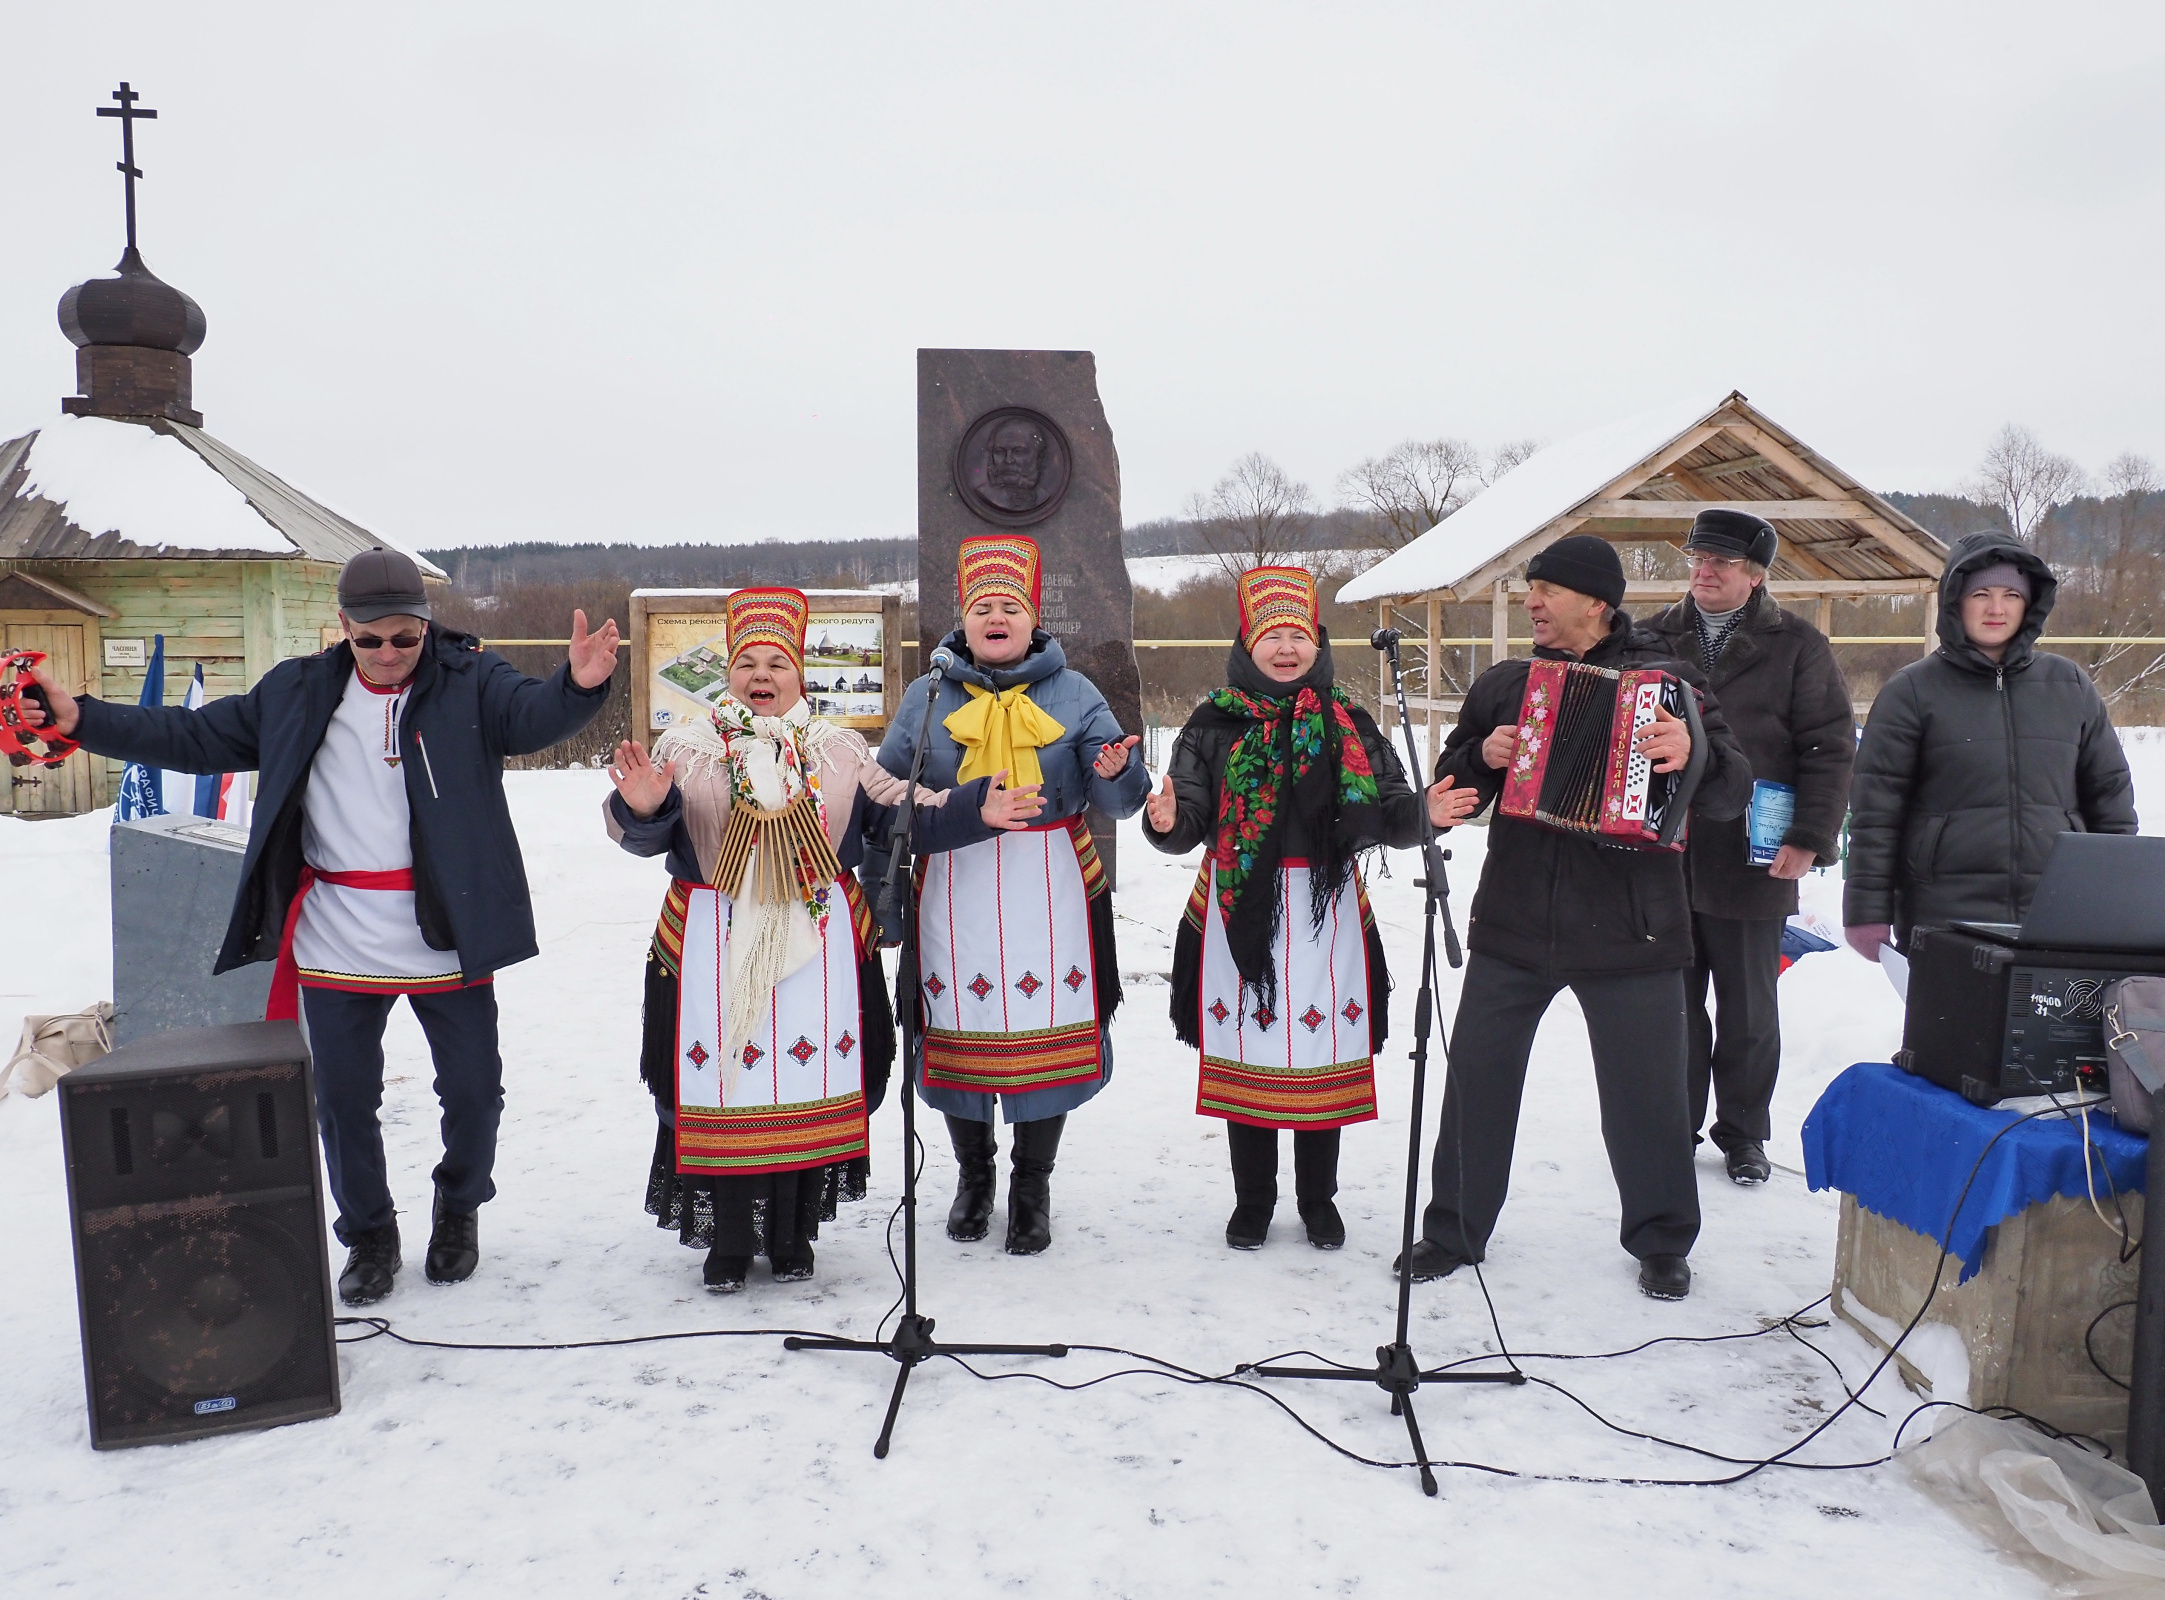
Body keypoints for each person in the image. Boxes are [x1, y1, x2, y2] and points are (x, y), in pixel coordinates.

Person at [21, 546, 617, 1305]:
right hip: (338, 935)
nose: (389, 653)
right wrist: (80, 717)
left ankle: (458, 1208)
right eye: (370, 639)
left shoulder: (472, 680)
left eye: (405, 637)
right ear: (343, 627)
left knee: (474, 1093)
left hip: (444, 929)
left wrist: (579, 685)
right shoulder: (297, 691)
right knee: (342, 1102)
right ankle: (368, 1234)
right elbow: (192, 737)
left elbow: (534, 716)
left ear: (426, 624)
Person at [602, 588, 999, 1291]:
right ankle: (728, 1241)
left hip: (818, 946)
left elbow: (901, 812)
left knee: (806, 1081)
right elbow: (644, 829)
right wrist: (641, 808)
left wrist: (975, 808)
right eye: (746, 663)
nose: (761, 675)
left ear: (799, 674)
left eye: (776, 663)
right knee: (724, 1086)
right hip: (713, 941)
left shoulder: (837, 749)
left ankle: (792, 1235)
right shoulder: (685, 750)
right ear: (727, 673)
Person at [1407, 534, 1751, 1301]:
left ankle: (1661, 1241)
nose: (1531, 602)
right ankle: (1453, 1230)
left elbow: (1731, 792)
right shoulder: (1505, 685)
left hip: (1634, 928)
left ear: (1596, 603)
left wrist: (1690, 748)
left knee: (1647, 1098)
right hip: (1515, 920)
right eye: (1529, 588)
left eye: (1547, 590)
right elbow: (1453, 787)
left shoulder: (1672, 683)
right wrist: (1481, 757)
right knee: (1477, 1082)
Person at [1141, 567, 1478, 1249]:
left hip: (1327, 913)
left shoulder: (1347, 721)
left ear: (1317, 644)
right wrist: (1167, 822)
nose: (1287, 648)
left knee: (1323, 1052)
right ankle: (1253, 1201)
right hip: (1241, 906)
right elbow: (1188, 817)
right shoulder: (1211, 724)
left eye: (1299, 635)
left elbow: (1387, 806)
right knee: (1249, 1051)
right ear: (1247, 644)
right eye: (1272, 635)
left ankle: (1318, 1199)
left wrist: (1425, 814)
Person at [877, 533, 1150, 1255]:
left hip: (1049, 888)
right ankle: (974, 1178)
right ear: (963, 621)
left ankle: (1033, 1185)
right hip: (952, 883)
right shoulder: (926, 695)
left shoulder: (1077, 693)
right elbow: (887, 796)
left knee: (1044, 1028)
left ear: (1033, 619)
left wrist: (1118, 774)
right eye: (981, 607)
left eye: (1009, 606)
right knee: (957, 1027)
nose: (995, 617)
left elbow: (1121, 800)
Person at [1644, 511, 1855, 1187]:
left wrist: (1809, 838)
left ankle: (1743, 1133)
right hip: (1663, 851)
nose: (1704, 571)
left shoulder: (1797, 645)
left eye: (1723, 563)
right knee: (1671, 1006)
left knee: (1749, 1012)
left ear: (1757, 575)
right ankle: (1670, 1127)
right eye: (1698, 558)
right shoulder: (1651, 638)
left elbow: (1829, 747)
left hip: (1755, 854)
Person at [1844, 531, 2137, 960]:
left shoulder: (2069, 684)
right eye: (1981, 594)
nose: (1996, 609)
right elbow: (1876, 812)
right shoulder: (1912, 690)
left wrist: (2121, 895)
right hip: (1944, 913)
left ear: (2029, 603)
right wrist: (1867, 911)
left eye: (2011, 595)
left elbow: (2110, 798)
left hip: (2057, 910)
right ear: (1955, 601)